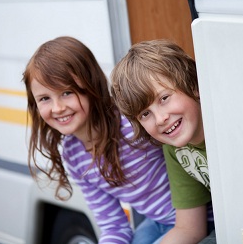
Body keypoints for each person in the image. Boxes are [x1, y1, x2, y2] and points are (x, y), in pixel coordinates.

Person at [22, 36, 176, 244]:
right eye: (44, 98)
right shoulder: (74, 155)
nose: (57, 108)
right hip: (157, 222)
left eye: (67, 92)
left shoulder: (130, 124)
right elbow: (113, 225)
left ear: (90, 85)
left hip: (198, 217)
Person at [110, 39, 216, 244]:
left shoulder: (225, 131)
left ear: (193, 85)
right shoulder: (175, 150)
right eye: (145, 114)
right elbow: (189, 228)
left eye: (164, 98)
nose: (160, 119)